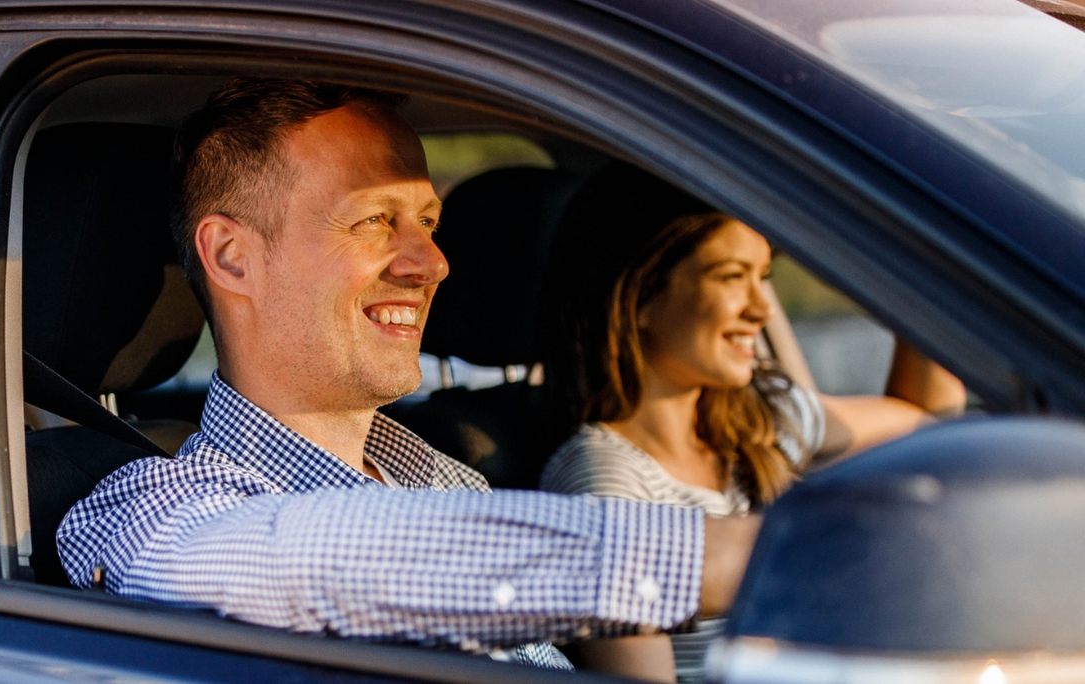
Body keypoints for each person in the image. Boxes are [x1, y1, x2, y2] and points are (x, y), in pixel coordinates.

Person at [56, 79, 760, 670]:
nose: (432, 263)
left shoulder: (446, 481)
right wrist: (737, 555)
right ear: (234, 257)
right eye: (373, 221)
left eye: (427, 221)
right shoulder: (150, 509)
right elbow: (293, 558)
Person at [537, 170, 966, 682]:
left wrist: (924, 267)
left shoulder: (759, 420)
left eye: (763, 276)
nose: (761, 308)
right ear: (642, 296)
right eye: (732, 276)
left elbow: (927, 417)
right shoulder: (605, 484)